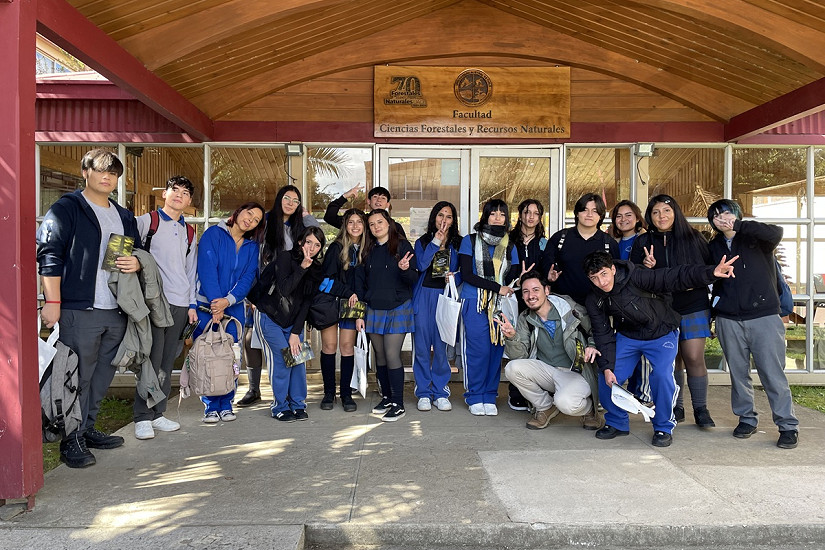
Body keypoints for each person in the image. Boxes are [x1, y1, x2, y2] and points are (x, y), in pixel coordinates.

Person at [37, 149, 142, 468]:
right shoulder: (68, 208)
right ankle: (70, 440)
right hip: (78, 308)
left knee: (102, 375)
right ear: (86, 172)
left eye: (113, 173)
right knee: (75, 375)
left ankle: (87, 428)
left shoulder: (123, 215)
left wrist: (136, 261)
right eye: (101, 171)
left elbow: (138, 251)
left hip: (116, 308)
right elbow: (49, 254)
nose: (107, 177)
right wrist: (52, 302)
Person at [583, 251, 737, 447]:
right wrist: (606, 367)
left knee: (662, 376)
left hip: (661, 332)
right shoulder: (594, 298)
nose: (601, 282)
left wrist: (710, 273)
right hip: (628, 336)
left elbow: (674, 276)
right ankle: (616, 422)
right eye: (594, 278)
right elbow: (602, 333)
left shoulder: (638, 276)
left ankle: (663, 426)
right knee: (608, 374)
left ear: (613, 269)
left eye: (604, 274)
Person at [706, 199, 799, 449]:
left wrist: (740, 225)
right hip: (728, 318)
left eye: (726, 213)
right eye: (715, 215)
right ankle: (747, 419)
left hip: (764, 317)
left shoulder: (757, 239)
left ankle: (787, 425)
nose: (721, 217)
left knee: (772, 373)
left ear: (736, 215)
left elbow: (776, 232)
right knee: (738, 374)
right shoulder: (712, 246)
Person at [630, 195, 715, 428]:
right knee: (671, 360)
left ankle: (701, 409)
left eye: (666, 210)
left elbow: (708, 270)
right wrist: (645, 268)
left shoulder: (694, 238)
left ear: (675, 212)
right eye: (656, 212)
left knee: (694, 357)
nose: (661, 216)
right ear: (650, 216)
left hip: (693, 305)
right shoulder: (642, 242)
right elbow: (633, 276)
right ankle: (676, 406)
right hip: (661, 308)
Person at [236, 185, 319, 407]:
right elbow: (251, 253)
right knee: (251, 339)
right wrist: (254, 296)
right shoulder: (264, 222)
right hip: (266, 291)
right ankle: (255, 389)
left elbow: (317, 236)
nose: (290, 203)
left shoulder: (299, 226)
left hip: (293, 292)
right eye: (287, 198)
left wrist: (307, 215)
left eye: (296, 200)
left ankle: (294, 398)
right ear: (279, 198)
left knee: (293, 346)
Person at [133, 176, 199, 440]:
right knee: (149, 359)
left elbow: (190, 271)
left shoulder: (190, 232)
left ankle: (158, 413)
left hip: (180, 303)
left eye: (185, 193)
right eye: (175, 190)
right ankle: (141, 417)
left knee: (165, 361)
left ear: (190, 201)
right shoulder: (147, 222)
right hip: (152, 302)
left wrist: (193, 304)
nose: (179, 195)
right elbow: (125, 253)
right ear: (164, 194)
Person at [500, 270, 603, 430]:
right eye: (526, 292)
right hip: (548, 372)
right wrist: (512, 337)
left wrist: (592, 345)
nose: (530, 296)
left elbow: (596, 330)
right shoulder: (525, 318)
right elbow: (519, 356)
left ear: (546, 290)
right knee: (512, 368)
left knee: (566, 403)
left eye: (535, 290)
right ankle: (546, 407)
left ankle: (590, 410)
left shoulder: (570, 309)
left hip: (576, 372)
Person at [194, 202, 265, 423]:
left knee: (230, 358)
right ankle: (210, 406)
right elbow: (207, 269)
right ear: (238, 211)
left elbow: (247, 278)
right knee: (208, 357)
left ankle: (226, 404)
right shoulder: (213, 234)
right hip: (207, 307)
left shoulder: (252, 247)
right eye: (249, 214)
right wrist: (217, 303)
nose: (250, 220)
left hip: (233, 309)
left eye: (256, 220)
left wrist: (227, 301)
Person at [251, 226, 325, 422]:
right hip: (270, 317)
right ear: (301, 242)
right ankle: (280, 406)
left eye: (317, 245)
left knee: (297, 361)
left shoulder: (317, 269)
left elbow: (306, 302)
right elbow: (284, 289)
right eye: (308, 242)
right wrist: (302, 267)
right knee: (282, 361)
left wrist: (296, 332)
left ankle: (298, 404)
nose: (312, 247)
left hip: (293, 322)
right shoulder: (285, 258)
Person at [458, 199, 521, 416]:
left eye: (502, 214)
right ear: (485, 216)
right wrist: (497, 287)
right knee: (479, 350)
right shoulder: (470, 240)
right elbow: (467, 275)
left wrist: (517, 280)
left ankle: (489, 395)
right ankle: (474, 395)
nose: (497, 218)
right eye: (492, 213)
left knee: (496, 349)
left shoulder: (510, 245)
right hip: (474, 301)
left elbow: (512, 275)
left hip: (500, 305)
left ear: (506, 219)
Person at [355, 209, 418, 422]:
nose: (376, 227)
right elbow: (362, 283)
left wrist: (404, 269)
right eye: (371, 224)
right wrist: (360, 312)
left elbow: (412, 278)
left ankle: (398, 404)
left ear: (388, 223)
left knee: (392, 355)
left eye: (379, 222)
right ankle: (387, 398)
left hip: (398, 306)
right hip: (374, 307)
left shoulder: (401, 245)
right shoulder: (368, 249)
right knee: (380, 357)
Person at [315, 208, 369, 412]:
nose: (355, 226)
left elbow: (365, 284)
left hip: (354, 305)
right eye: (350, 222)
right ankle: (329, 392)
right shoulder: (336, 248)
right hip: (331, 303)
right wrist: (347, 291)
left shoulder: (366, 250)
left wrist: (360, 307)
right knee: (329, 347)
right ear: (344, 226)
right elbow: (325, 281)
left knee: (347, 348)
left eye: (359, 222)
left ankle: (346, 393)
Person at [412, 201, 463, 412]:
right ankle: (423, 392)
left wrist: (455, 277)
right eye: (441, 215)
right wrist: (435, 242)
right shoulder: (422, 241)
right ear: (434, 217)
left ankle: (441, 391)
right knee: (422, 347)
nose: (444, 220)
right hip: (423, 296)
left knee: (442, 347)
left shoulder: (460, 243)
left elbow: (464, 272)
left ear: (453, 221)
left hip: (445, 296)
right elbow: (421, 265)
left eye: (448, 216)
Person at [506, 199, 548, 411]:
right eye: (526, 212)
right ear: (520, 215)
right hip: (514, 299)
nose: (531, 216)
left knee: (536, 345)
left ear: (540, 217)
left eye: (535, 213)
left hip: (536, 301)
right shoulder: (509, 240)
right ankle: (515, 392)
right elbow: (502, 271)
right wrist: (516, 279)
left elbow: (547, 271)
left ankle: (535, 393)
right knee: (516, 343)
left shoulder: (543, 242)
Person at [540, 193, 619, 306]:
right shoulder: (560, 238)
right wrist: (549, 276)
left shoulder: (609, 243)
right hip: (563, 305)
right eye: (585, 210)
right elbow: (546, 265)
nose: (589, 214)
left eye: (595, 211)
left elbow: (616, 276)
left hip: (599, 306)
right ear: (577, 213)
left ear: (601, 216)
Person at [608, 199, 651, 406]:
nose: (623, 220)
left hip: (639, 302)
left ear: (637, 218)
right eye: (619, 216)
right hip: (616, 303)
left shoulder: (644, 240)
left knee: (641, 352)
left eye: (628, 215)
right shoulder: (612, 243)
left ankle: (642, 396)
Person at [324, 183, 407, 238]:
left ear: (387, 205)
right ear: (368, 202)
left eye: (383, 198)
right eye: (375, 197)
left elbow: (404, 250)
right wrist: (345, 196)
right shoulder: (359, 221)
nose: (378, 200)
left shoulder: (395, 226)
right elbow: (330, 217)